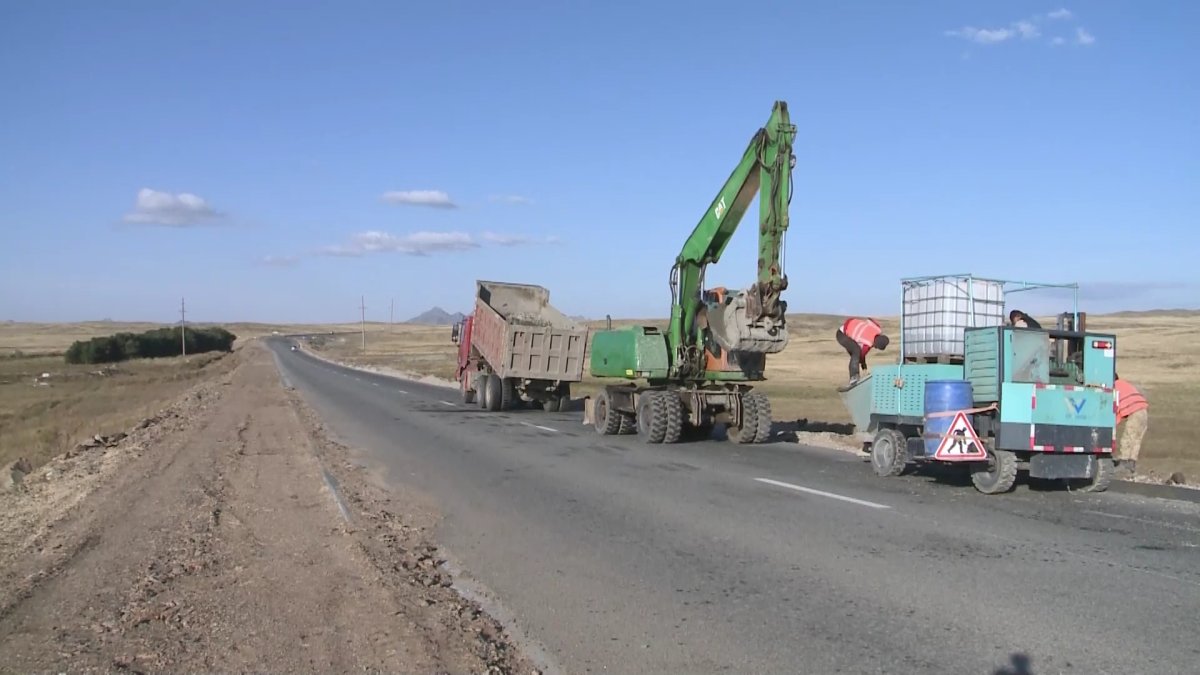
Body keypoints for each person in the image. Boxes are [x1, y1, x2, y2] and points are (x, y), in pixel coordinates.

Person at [836, 317, 889, 386]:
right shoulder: (867, 342)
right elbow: (860, 356)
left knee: (856, 352)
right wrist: (864, 367)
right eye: (876, 347)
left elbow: (870, 320)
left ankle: (856, 375)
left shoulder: (877, 329)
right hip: (842, 335)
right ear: (875, 344)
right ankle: (854, 376)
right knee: (856, 350)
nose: (875, 348)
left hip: (849, 327)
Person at [1113, 372, 1148, 475]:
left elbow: (1116, 408)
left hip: (1135, 412)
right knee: (1136, 439)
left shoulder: (1115, 388)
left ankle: (1124, 462)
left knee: (1128, 438)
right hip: (1143, 411)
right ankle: (1132, 462)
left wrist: (1112, 424)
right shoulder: (1125, 384)